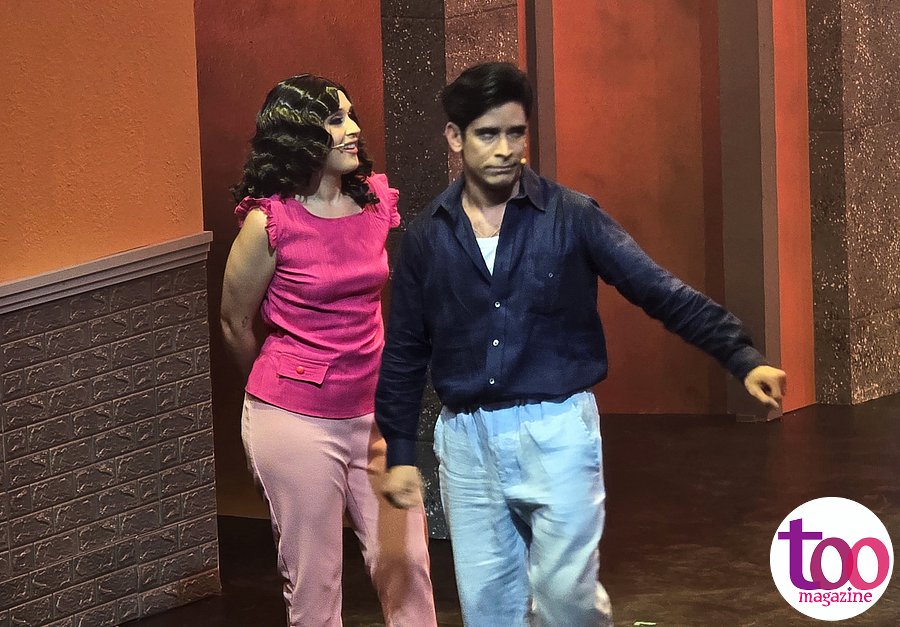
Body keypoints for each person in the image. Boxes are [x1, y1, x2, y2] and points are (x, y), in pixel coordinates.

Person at [375, 62, 787, 627]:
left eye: (516, 133)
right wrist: (401, 452)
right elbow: (405, 347)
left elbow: (657, 289)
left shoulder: (571, 216)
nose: (504, 149)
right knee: (489, 613)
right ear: (455, 137)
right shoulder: (428, 235)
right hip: (467, 442)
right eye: (487, 134)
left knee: (565, 599)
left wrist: (741, 357)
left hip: (558, 429)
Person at [220, 74, 437, 627]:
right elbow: (234, 322)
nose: (353, 129)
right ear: (298, 135)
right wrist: (276, 387)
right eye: (335, 120)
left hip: (375, 415)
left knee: (408, 563)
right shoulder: (270, 222)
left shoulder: (373, 203)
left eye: (350, 115)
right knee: (315, 584)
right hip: (295, 418)